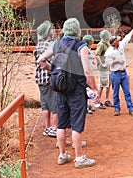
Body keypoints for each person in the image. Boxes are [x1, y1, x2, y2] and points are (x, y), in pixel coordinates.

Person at [37, 18, 100, 168]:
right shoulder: (81, 46)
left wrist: (54, 71)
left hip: (60, 89)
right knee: (77, 124)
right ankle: (79, 158)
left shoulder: (56, 44)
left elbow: (41, 60)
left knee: (61, 123)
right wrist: (94, 88)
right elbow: (86, 70)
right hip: (76, 90)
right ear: (77, 30)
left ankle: (62, 155)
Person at [104, 23, 133, 116]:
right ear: (114, 43)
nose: (119, 41)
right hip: (115, 74)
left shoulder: (121, 46)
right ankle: (116, 108)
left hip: (123, 73)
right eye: (117, 41)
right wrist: (117, 61)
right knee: (115, 93)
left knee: (127, 92)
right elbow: (107, 63)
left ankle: (131, 108)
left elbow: (128, 37)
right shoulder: (109, 52)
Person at [34, 20, 58, 137]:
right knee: (54, 104)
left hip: (40, 79)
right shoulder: (50, 45)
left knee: (45, 104)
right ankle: (54, 128)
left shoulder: (38, 45)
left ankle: (47, 127)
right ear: (48, 32)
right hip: (49, 78)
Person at [95, 30, 114, 108]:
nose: (108, 36)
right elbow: (96, 55)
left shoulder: (107, 44)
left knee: (108, 84)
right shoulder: (101, 44)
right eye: (107, 35)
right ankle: (98, 101)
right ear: (105, 36)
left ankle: (106, 100)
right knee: (102, 85)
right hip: (103, 68)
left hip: (108, 67)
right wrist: (101, 64)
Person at [82, 34, 96, 114]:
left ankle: (88, 105)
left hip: (90, 72)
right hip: (85, 73)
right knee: (86, 90)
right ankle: (86, 106)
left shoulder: (89, 49)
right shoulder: (84, 50)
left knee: (88, 90)